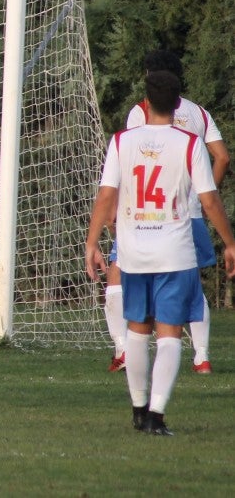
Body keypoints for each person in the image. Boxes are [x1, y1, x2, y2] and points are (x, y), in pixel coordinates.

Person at [85, 70, 235, 435]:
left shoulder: (122, 141)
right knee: (169, 332)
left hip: (134, 249)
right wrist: (230, 242)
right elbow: (209, 199)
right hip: (174, 251)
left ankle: (138, 409)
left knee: (137, 328)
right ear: (178, 102)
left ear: (146, 102)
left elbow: (106, 195)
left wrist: (91, 243)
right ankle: (156, 415)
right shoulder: (189, 143)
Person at [102, 49, 229, 374]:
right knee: (191, 284)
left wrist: (114, 209)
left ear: (149, 78)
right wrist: (201, 195)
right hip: (190, 214)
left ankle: (125, 349)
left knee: (119, 273)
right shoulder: (199, 113)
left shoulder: (141, 111)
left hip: (146, 214)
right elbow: (223, 157)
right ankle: (201, 356)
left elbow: (132, 159)